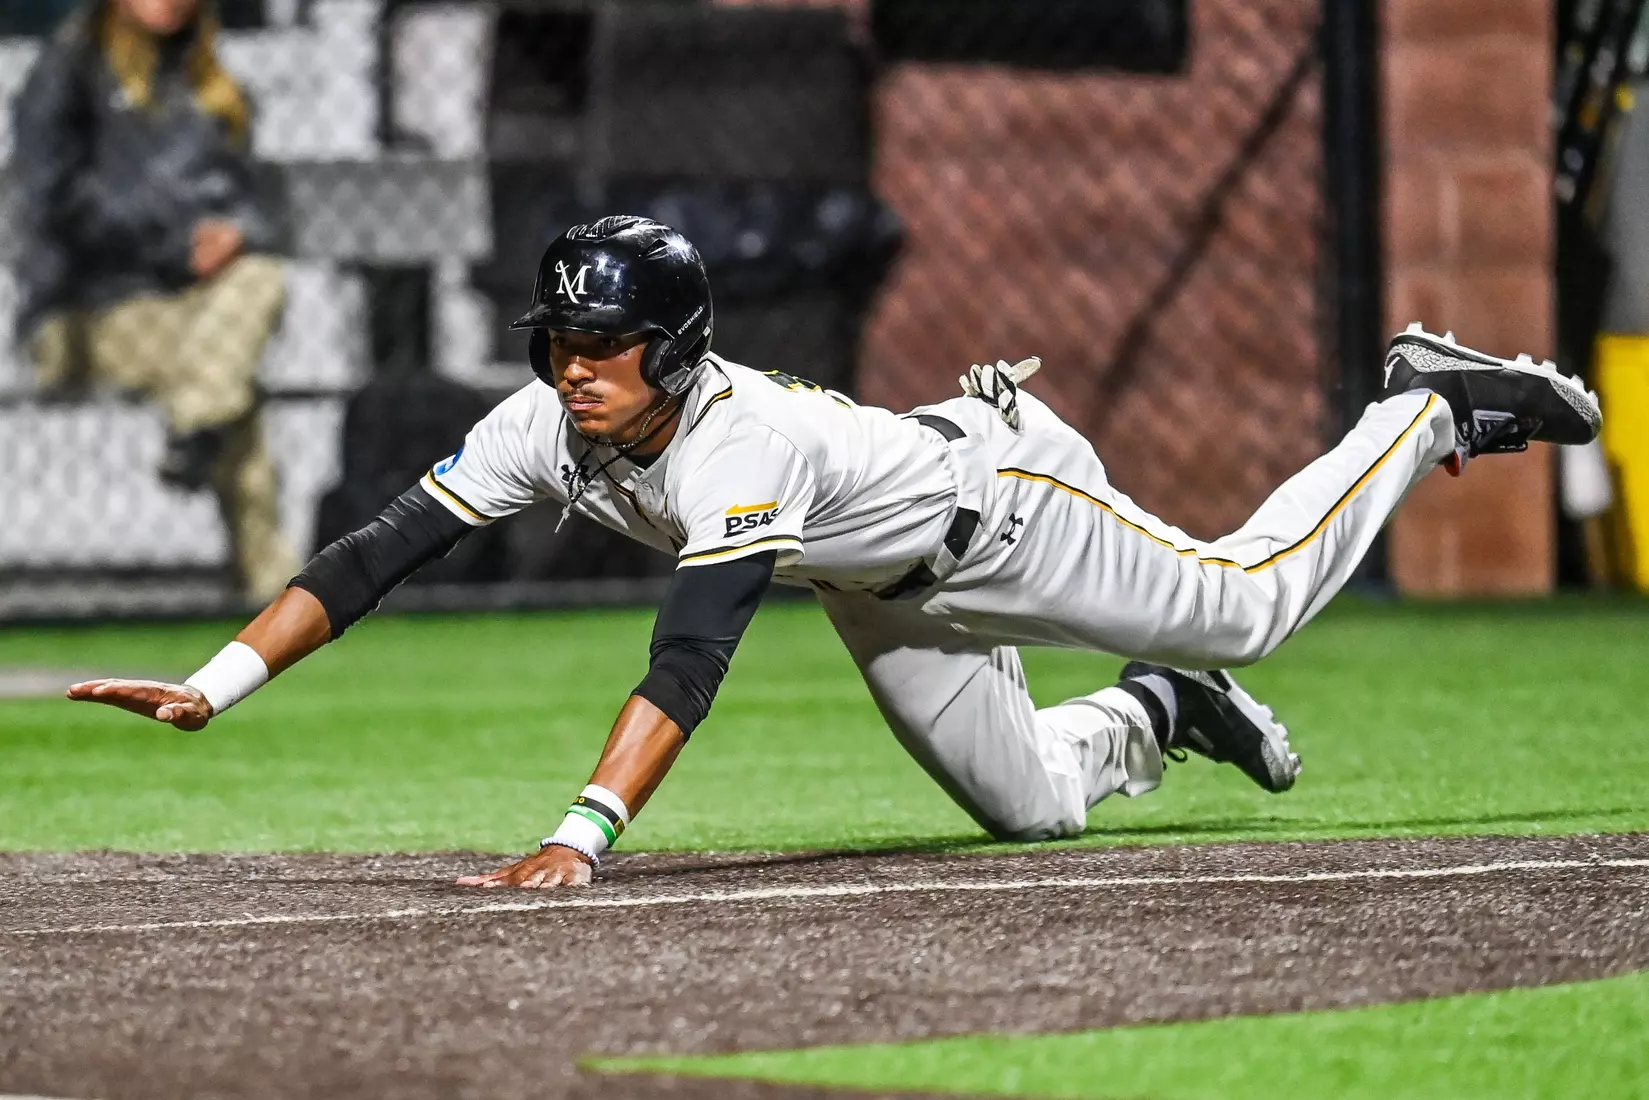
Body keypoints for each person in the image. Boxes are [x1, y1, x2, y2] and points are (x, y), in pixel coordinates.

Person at [67, 216, 1604, 888]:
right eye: (559, 338)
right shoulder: (546, 421)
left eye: (603, 343)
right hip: (883, 591)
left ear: (670, 351)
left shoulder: (736, 442)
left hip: (996, 507)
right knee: (1030, 815)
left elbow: (694, 651)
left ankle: (1416, 408)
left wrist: (584, 832)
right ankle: (1151, 715)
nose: (573, 366)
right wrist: (219, 683)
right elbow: (377, 552)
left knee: (1250, 607)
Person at [13, 0, 297, 602]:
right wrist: (175, 246)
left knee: (256, 282)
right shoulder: (69, 71)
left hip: (194, 310)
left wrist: (236, 234)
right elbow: (53, 207)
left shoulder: (212, 82)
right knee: (229, 389)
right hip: (88, 314)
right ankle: (281, 596)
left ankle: (198, 425)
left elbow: (266, 202)